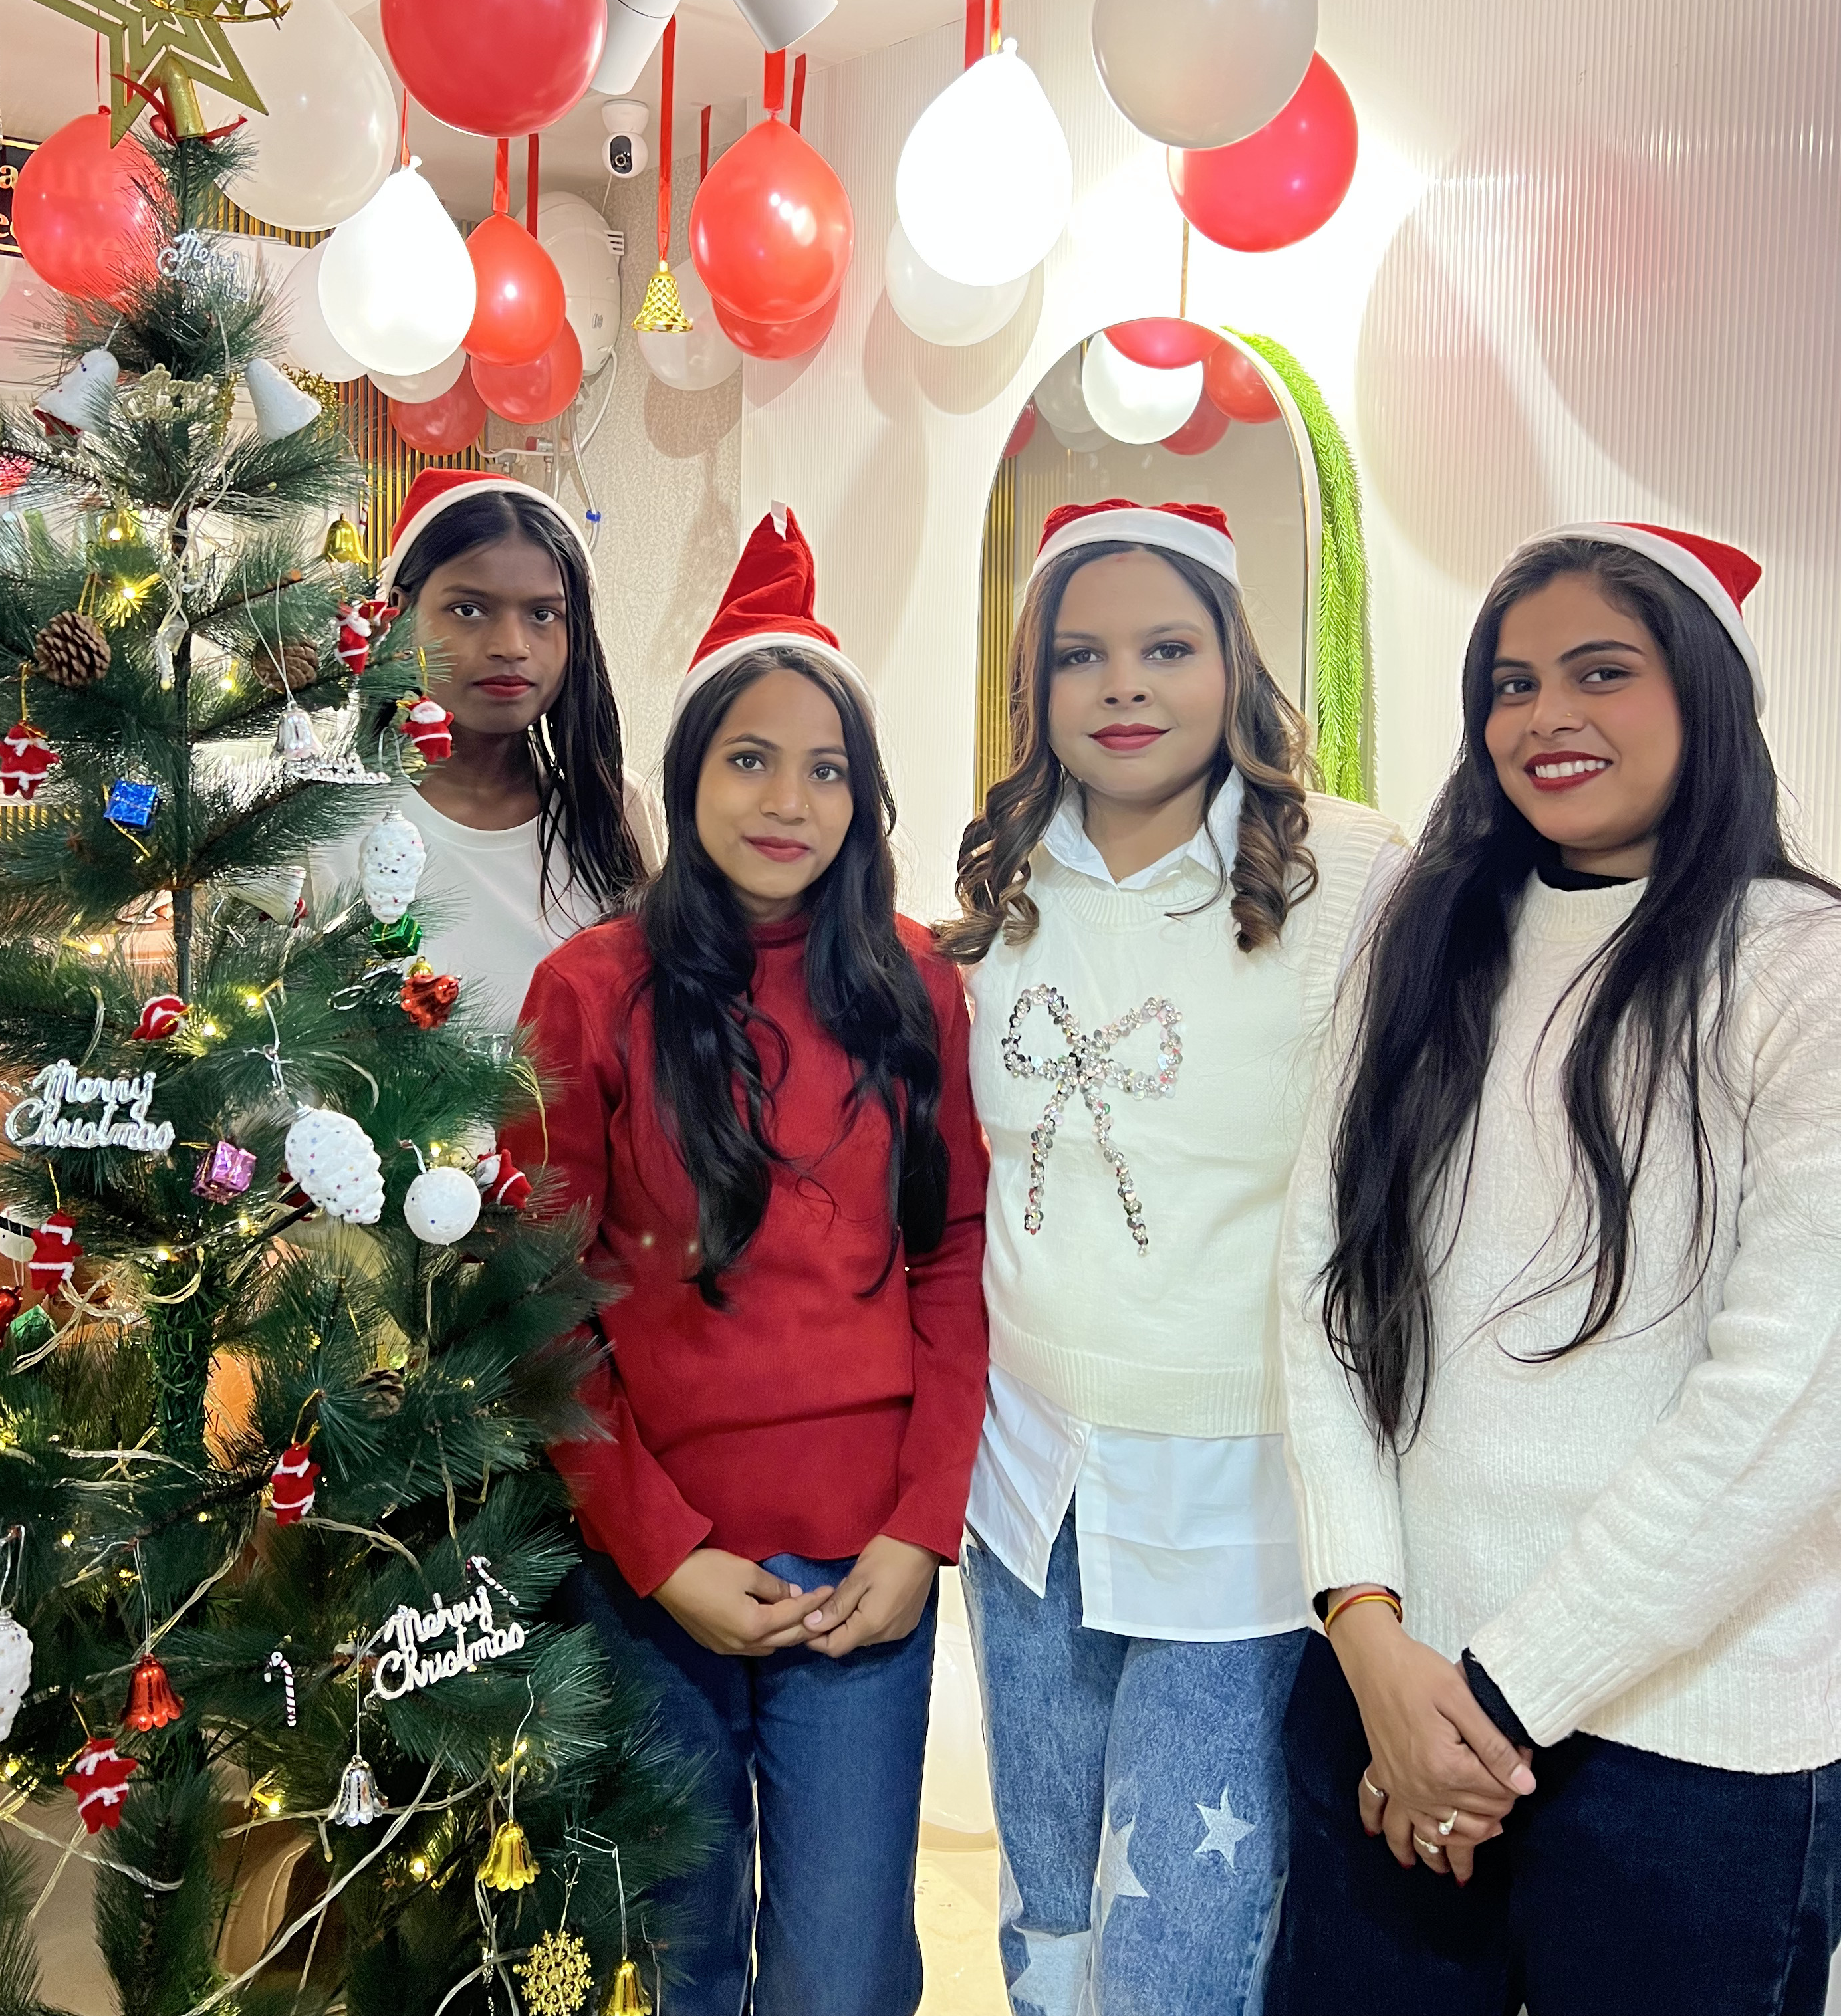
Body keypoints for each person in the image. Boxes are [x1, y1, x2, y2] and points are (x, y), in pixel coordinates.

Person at [1270, 523, 1841, 2016]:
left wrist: (1493, 1707)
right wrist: (1366, 1627)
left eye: (1601, 672)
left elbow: (1789, 1409)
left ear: (1705, 692)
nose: (1544, 716)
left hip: (1686, 1753)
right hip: (1391, 1692)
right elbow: (1325, 1287)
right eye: (1511, 683)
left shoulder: (1802, 968)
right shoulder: (1426, 934)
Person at [935, 499, 1404, 2016]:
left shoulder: (1346, 875)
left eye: (1166, 647)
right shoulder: (1005, 887)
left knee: (1177, 1959)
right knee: (1045, 1918)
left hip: (1237, 1501)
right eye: (1080, 654)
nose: (1123, 685)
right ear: (1035, 682)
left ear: (1233, 661)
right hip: (1030, 1490)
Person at [520, 509, 989, 2016]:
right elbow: (541, 1302)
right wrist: (657, 1549)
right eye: (749, 758)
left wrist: (919, 1529)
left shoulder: (915, 985)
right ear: (688, 775)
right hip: (653, 1567)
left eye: (827, 768)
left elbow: (952, 1258)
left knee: (843, 1974)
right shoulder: (589, 991)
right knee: (671, 1959)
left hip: (863, 1573)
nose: (789, 800)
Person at [312, 471, 658, 1026]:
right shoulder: (319, 821)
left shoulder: (618, 809)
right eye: (469, 609)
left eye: (543, 615)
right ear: (398, 613)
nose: (511, 647)